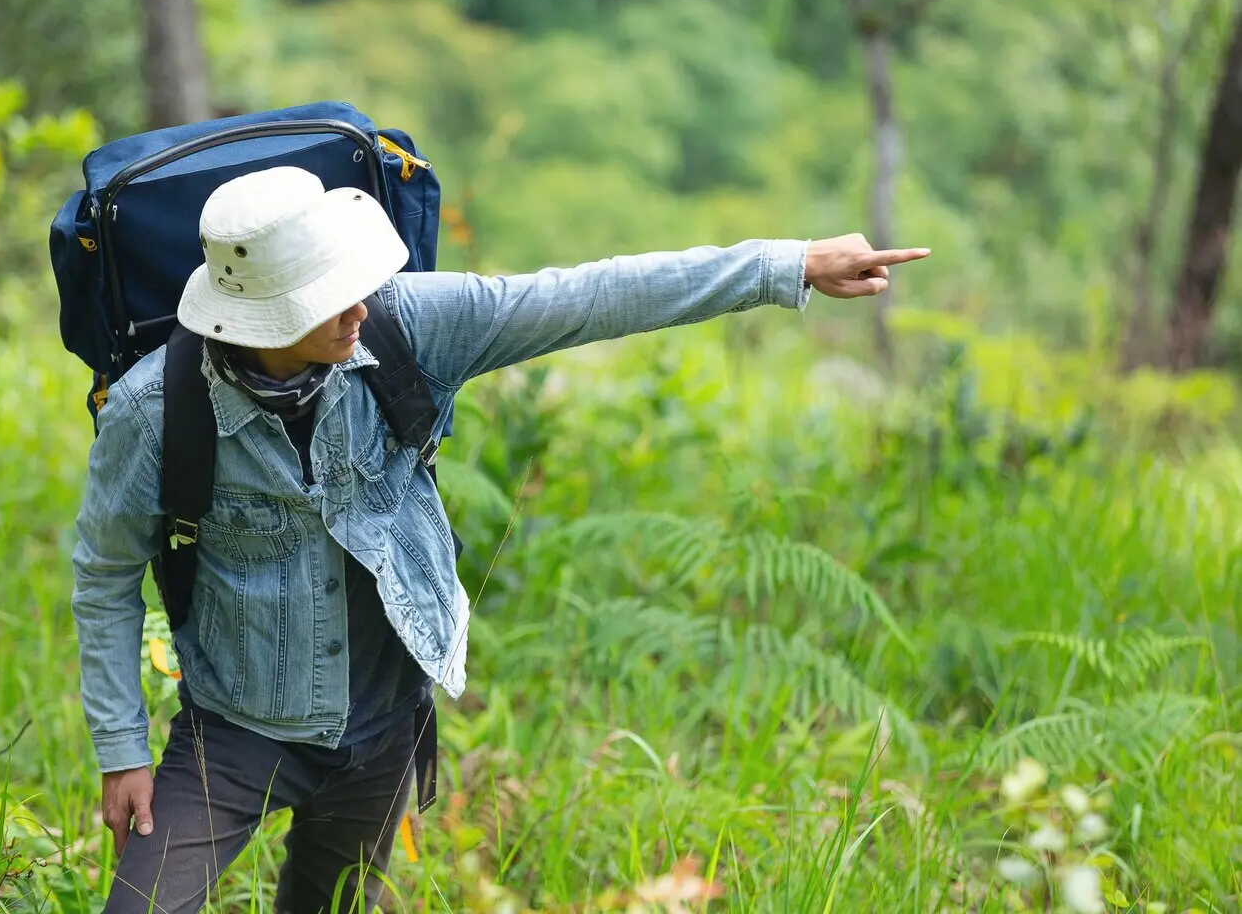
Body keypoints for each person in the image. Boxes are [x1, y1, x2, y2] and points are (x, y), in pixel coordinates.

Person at [69, 164, 931, 913]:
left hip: (383, 725)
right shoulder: (154, 411)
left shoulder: (402, 325)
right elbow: (105, 574)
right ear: (259, 316)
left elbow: (585, 296)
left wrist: (791, 265)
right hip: (234, 727)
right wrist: (121, 750)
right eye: (331, 298)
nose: (361, 307)